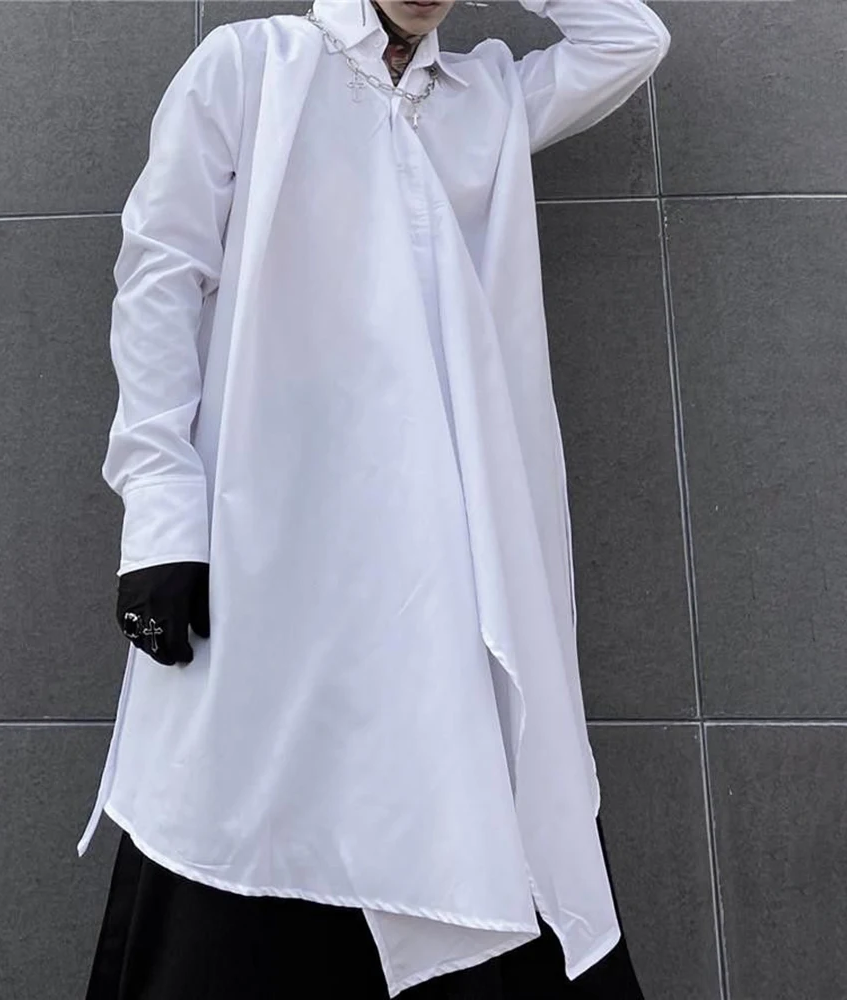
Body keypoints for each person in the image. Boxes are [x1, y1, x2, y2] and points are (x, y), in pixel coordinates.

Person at [79, 0, 671, 996]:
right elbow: (159, 280)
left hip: (443, 555)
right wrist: (162, 514)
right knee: (244, 809)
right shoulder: (253, 66)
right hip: (274, 526)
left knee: (444, 798)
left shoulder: (483, 98)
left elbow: (631, 39)